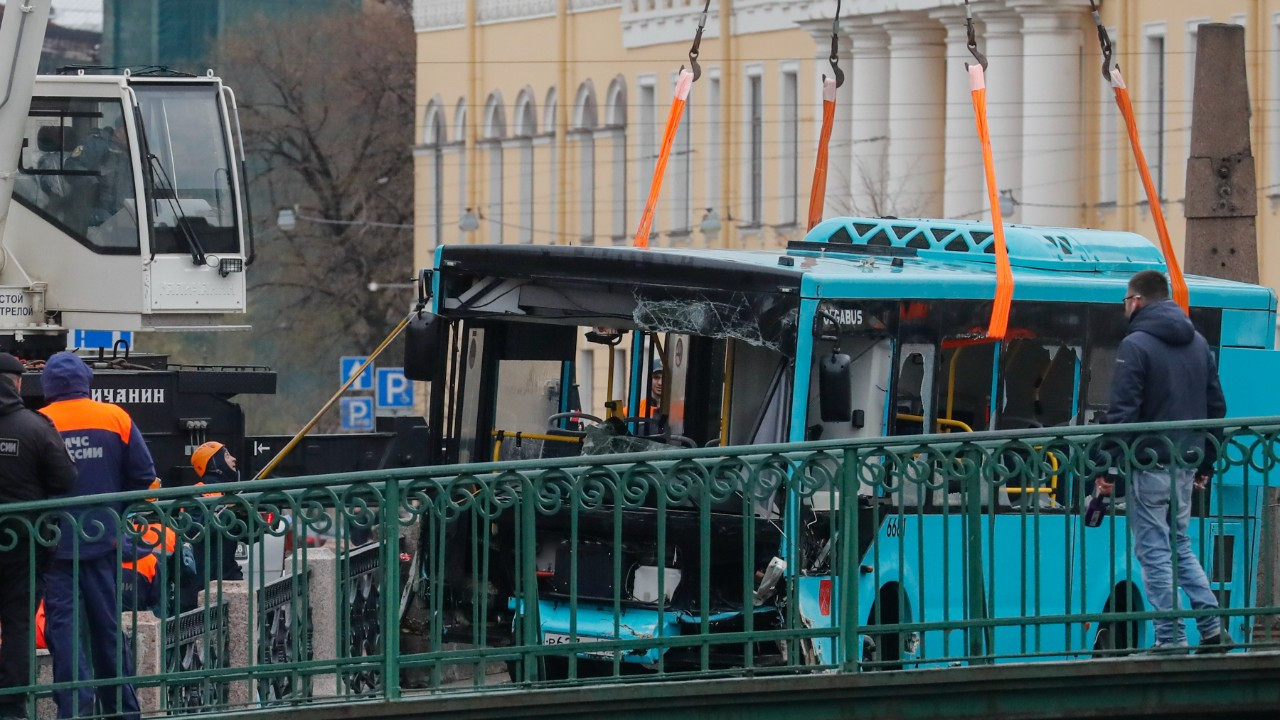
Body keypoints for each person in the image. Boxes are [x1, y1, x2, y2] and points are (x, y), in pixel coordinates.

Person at [1094, 270, 1230, 654]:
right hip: (1185, 463)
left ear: (1136, 301)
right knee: (1179, 546)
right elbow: (1217, 408)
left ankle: (1170, 639)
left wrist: (1106, 468)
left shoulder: (1136, 345)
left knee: (1153, 550)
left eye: (1125, 301)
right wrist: (1206, 465)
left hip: (1150, 462)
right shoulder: (1198, 342)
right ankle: (1213, 629)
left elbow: (1122, 414)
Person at [39, 352, 155, 719]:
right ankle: (122, 709)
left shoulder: (41, 422)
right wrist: (115, 514)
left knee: (65, 633)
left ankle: (75, 710)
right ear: (86, 382)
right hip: (105, 540)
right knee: (107, 630)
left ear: (48, 387)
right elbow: (143, 475)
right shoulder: (114, 417)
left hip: (56, 546)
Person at [0, 353, 77, 720]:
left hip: (22, 540)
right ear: (17, 383)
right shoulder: (36, 426)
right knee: (18, 623)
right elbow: (65, 479)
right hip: (25, 542)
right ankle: (11, 704)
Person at [188, 441, 243, 585]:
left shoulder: (229, 494)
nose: (233, 459)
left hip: (228, 574)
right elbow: (194, 532)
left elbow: (250, 535)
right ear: (214, 463)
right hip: (202, 580)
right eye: (227, 456)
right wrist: (225, 512)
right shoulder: (195, 495)